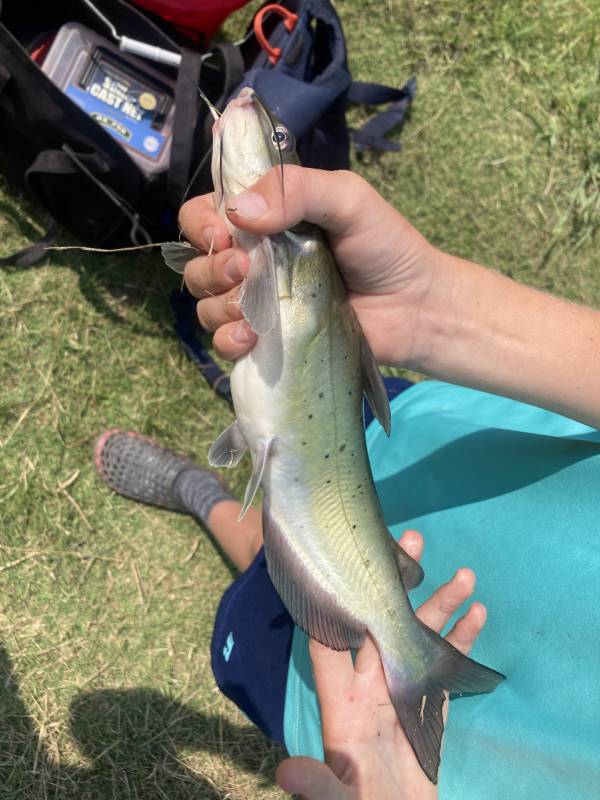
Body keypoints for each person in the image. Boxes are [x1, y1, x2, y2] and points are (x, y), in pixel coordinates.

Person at [97, 166, 600, 798]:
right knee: (302, 465)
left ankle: (207, 500)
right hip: (424, 448)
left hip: (366, 718)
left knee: (279, 557)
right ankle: (226, 477)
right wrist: (428, 312)